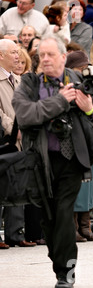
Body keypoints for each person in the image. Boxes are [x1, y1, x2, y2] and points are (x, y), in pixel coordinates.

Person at [12, 34, 93, 288]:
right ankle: (59, 261)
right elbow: (25, 115)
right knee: (49, 218)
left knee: (65, 214)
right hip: (40, 161)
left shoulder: (79, 80)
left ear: (63, 57)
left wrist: (88, 108)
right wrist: (60, 101)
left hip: (72, 160)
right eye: (41, 55)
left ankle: (66, 270)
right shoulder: (30, 84)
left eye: (50, 54)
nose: (45, 59)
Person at [0, 38, 36, 249]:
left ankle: (16, 233)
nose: (17, 56)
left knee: (19, 183)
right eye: (13, 52)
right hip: (5, 139)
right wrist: (13, 129)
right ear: (1, 56)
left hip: (24, 138)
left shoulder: (20, 80)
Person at [65, 50, 93, 243]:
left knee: (90, 188)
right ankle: (73, 227)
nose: (83, 73)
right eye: (79, 69)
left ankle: (85, 225)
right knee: (76, 187)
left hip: (90, 141)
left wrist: (90, 109)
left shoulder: (91, 87)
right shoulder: (65, 87)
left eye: (86, 68)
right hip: (71, 140)